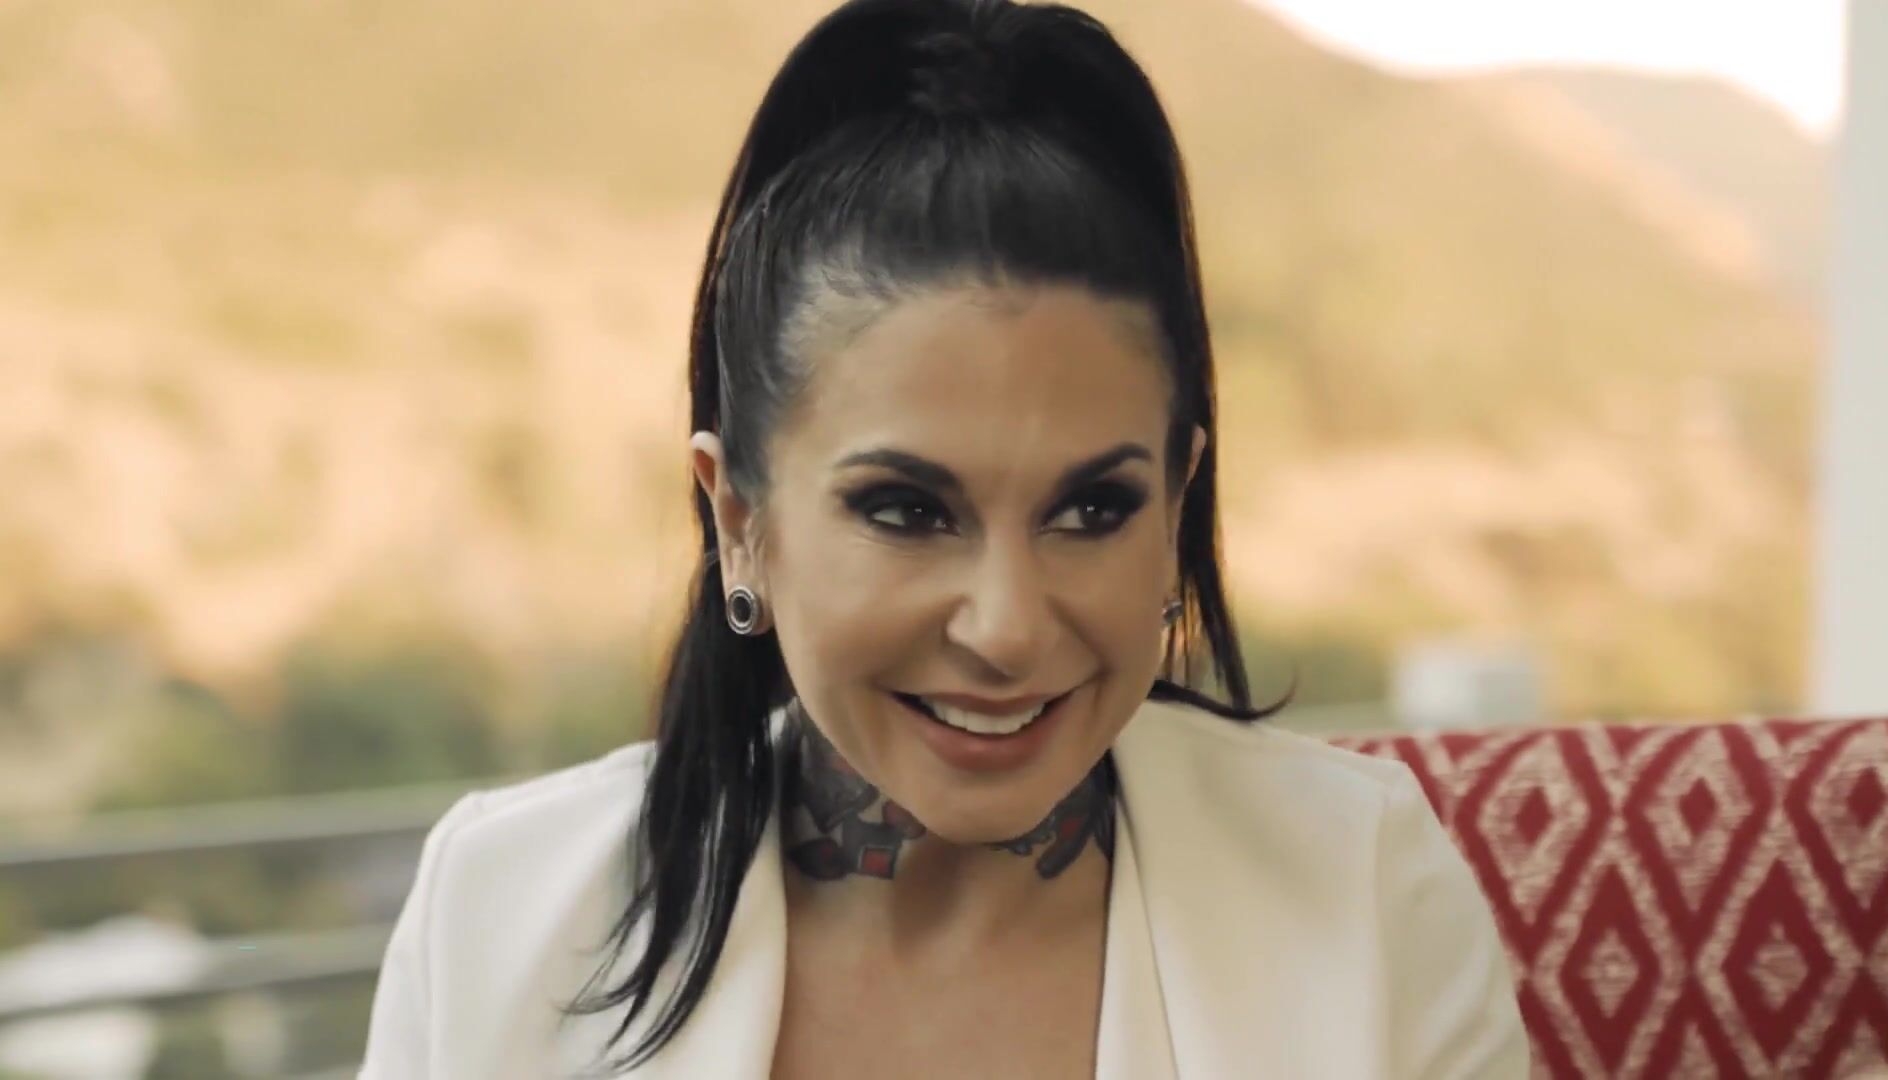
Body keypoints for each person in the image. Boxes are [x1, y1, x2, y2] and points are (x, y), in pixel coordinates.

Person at [358, 0, 1529, 1075]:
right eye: (907, 512)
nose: (1007, 628)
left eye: (1092, 510)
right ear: (739, 521)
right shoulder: (500, 917)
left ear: (1178, 503)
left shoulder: (1363, 890)